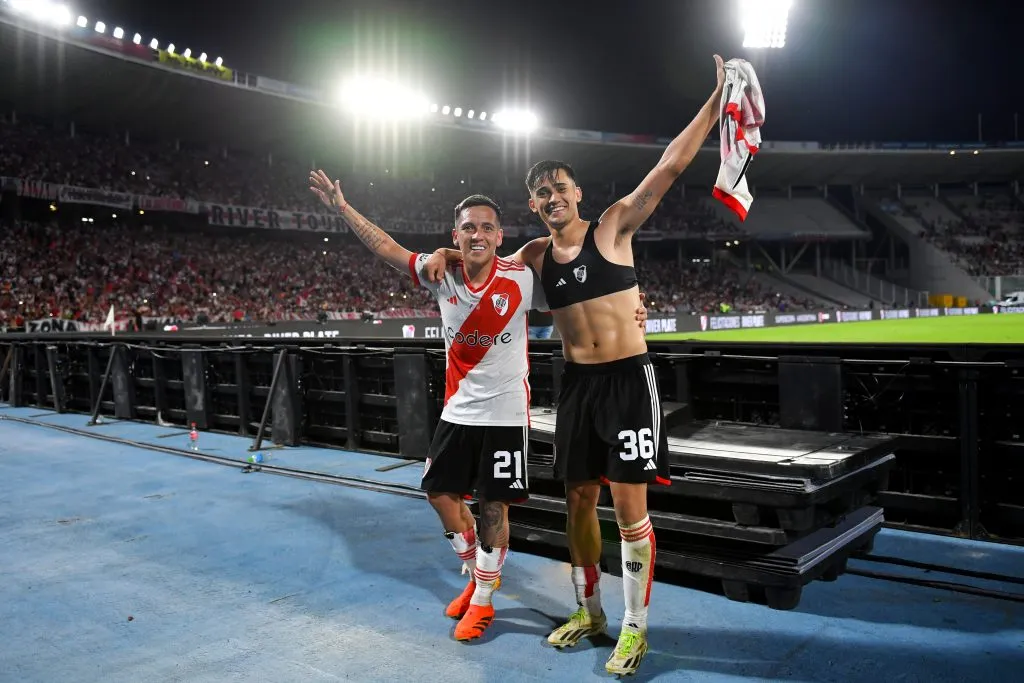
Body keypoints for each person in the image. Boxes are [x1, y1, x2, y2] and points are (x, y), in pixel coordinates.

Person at [425, 55, 726, 675]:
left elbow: (669, 166)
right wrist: (439, 252)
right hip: (577, 386)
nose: (552, 197)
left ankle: (635, 628)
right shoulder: (534, 255)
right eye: (542, 192)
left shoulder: (612, 227)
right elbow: (477, 255)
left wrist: (716, 102)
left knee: (630, 510)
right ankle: (591, 613)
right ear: (533, 205)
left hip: (628, 379)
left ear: (577, 192)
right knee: (579, 503)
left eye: (560, 187)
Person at [308, 170, 650, 643]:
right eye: (469, 228)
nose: (478, 234)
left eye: (487, 227)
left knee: (493, 508)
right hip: (458, 409)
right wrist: (343, 209)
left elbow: (584, 289)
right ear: (456, 235)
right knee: (439, 496)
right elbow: (387, 248)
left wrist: (635, 300)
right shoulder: (440, 273)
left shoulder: (522, 277)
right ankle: (477, 575)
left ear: (499, 236)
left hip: (506, 413)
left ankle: (484, 598)